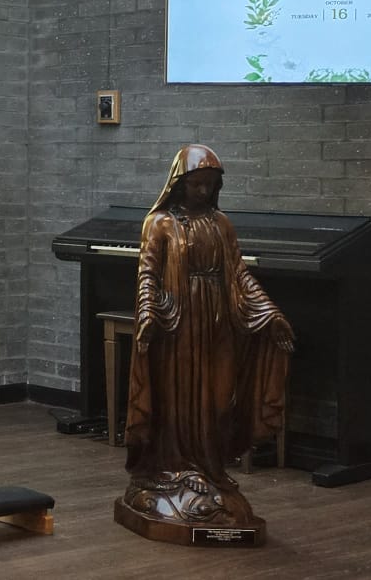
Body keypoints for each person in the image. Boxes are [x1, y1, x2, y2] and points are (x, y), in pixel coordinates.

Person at [120, 144, 294, 534]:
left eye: (209, 185)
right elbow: (147, 272)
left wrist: (270, 313)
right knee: (179, 399)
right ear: (180, 184)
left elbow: (238, 274)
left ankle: (210, 469)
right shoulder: (161, 223)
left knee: (219, 397)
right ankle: (173, 468)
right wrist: (147, 312)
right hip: (177, 325)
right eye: (196, 183)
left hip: (218, 324)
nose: (202, 191)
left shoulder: (222, 224)